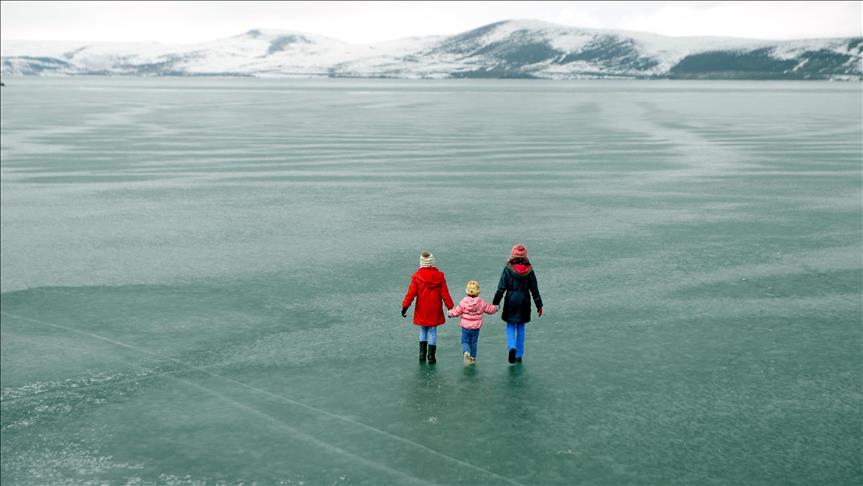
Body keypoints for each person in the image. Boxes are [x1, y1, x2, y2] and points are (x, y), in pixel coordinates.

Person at [492, 244, 543, 364]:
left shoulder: (508, 269)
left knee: (510, 325)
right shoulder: (529, 270)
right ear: (525, 255)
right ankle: (519, 354)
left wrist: (495, 303)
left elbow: (501, 288)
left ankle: (512, 346)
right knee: (521, 327)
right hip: (524, 300)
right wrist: (539, 305)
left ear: (513, 255)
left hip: (511, 300)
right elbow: (534, 289)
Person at [402, 251, 454, 364]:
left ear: (421, 262)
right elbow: (445, 294)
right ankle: (431, 356)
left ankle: (421, 354)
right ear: (432, 261)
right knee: (433, 331)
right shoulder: (440, 276)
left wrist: (405, 306)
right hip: (435, 308)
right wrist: (450, 307)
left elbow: (411, 293)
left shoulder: (416, 277)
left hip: (422, 308)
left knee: (423, 329)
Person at [448, 280, 498, 365]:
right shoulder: (481, 302)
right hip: (476, 328)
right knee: (474, 342)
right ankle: (473, 358)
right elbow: (489, 309)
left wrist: (449, 313)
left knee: (465, 341)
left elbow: (457, 312)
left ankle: (466, 352)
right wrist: (496, 308)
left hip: (465, 327)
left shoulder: (464, 301)